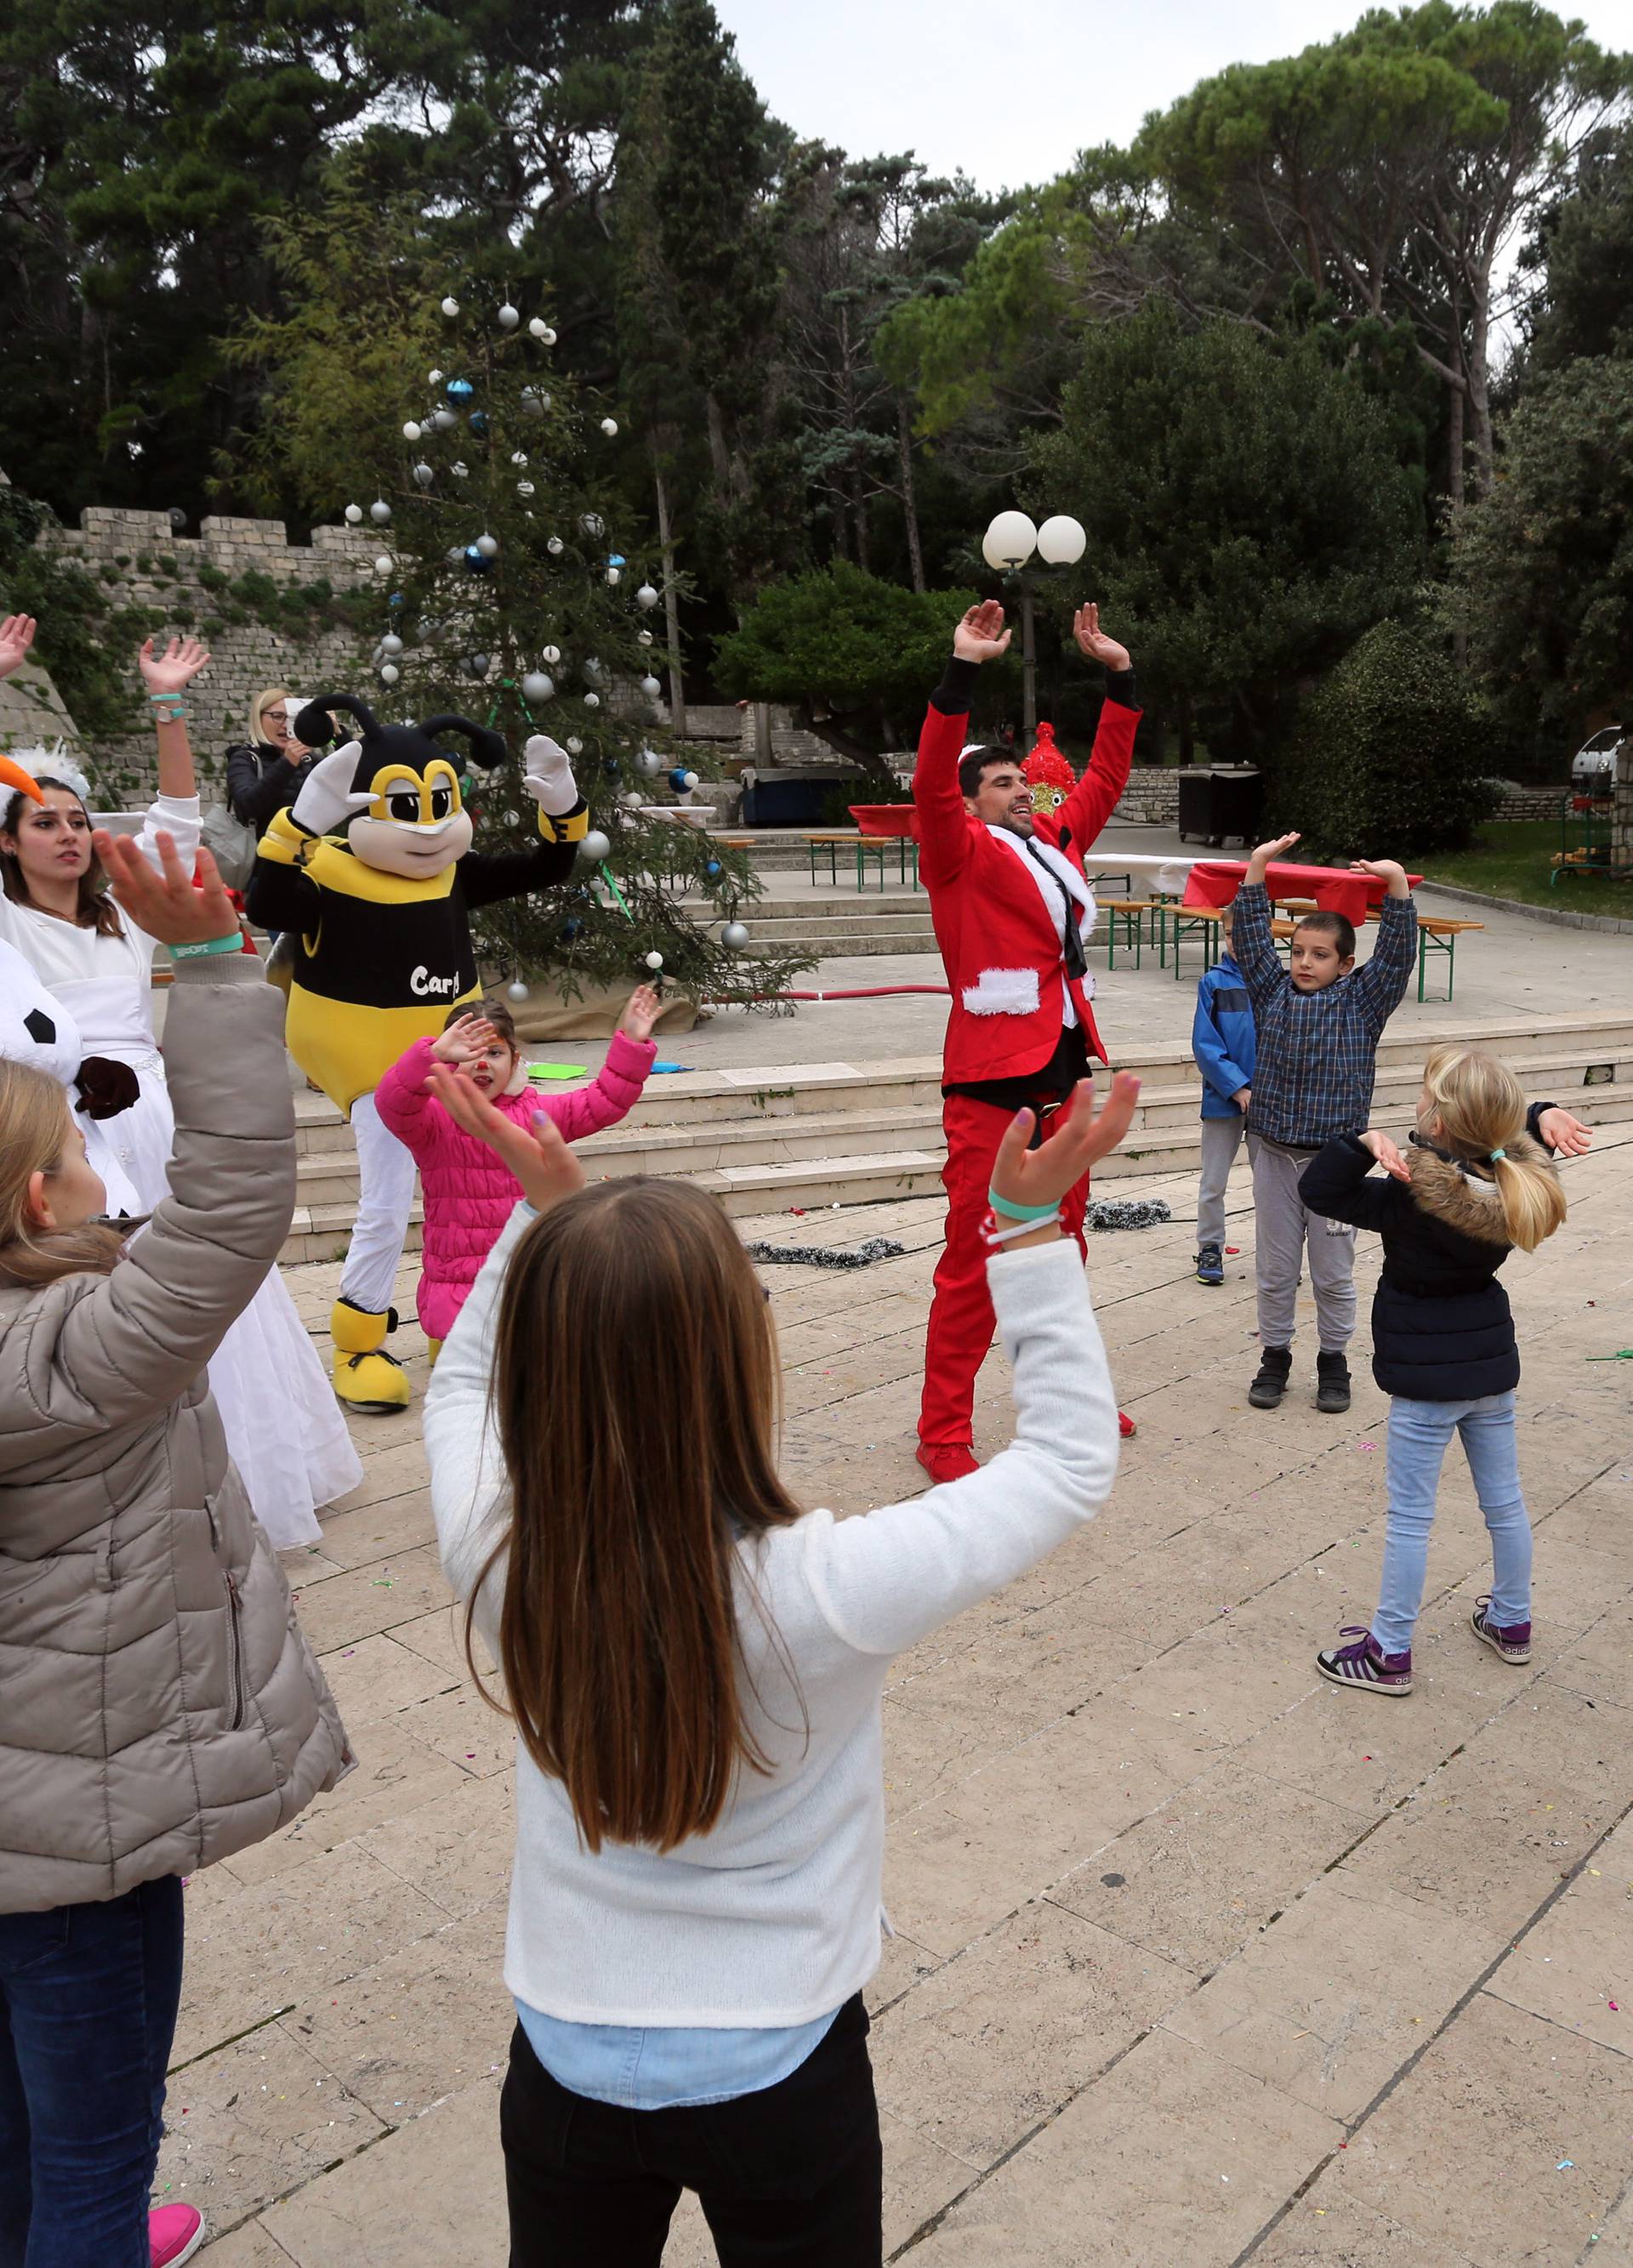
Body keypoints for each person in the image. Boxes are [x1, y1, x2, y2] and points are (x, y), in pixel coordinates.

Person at [421, 1059, 1139, 2267]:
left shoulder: (495, 1555)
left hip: (563, 2052)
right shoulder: (826, 1587)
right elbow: (1067, 1462)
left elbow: (459, 1390)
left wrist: (536, 1230)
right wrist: (1023, 1233)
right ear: (738, 1354)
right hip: (781, 2062)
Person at [0, 829, 352, 2268]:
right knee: (96, 2149)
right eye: (78, 1153)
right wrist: (210, 963)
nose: (101, 1166)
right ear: (37, 1202)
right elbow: (231, 1206)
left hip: (48, 1792)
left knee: (24, 2126)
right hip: (74, 1808)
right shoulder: (73, 1352)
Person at [0, 622, 361, 1546]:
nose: (72, 834)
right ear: (7, 843)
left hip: (157, 1116)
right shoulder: (5, 931)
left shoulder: (125, 916)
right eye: (47, 820)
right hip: (60, 1132)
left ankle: (250, 1474)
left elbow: (174, 822)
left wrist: (167, 706)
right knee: (105, 1302)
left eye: (80, 820)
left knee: (201, 1282)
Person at [244, 696, 588, 1413]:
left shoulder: (451, 875)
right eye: (406, 805)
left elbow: (547, 867)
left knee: (469, 1196)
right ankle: (358, 1341)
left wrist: (561, 803)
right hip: (377, 1071)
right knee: (389, 1198)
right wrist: (302, 822)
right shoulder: (334, 874)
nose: (428, 826)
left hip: (456, 1070)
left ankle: (452, 1325)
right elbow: (267, 903)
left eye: (439, 801)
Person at [913, 597, 1141, 1482]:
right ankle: (943, 1432)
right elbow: (933, 779)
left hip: (1067, 1071)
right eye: (1002, 782)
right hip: (991, 1085)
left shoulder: (1055, 839)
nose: (1023, 790)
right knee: (974, 1262)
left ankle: (1071, 1400)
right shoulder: (955, 852)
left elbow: (1108, 776)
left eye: (1022, 780)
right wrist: (962, 667)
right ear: (972, 800)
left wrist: (1119, 677)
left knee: (1064, 1251)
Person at [1298, 1046, 1590, 1695]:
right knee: (1504, 1501)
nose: (1419, 1102)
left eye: (1427, 1097)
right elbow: (1510, 1136)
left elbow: (1317, 1191)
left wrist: (1360, 1142)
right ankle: (1512, 1622)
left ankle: (1388, 1651)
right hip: (1489, 1365)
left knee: (1410, 1516)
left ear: (1435, 1124)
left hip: (1425, 1378)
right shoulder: (1522, 1186)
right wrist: (1543, 1112)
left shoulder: (1410, 1198)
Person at [1231, 829, 1418, 1417]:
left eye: (1319, 954)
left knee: (1334, 1275)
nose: (1304, 962)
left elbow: (1397, 956)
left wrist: (1394, 884)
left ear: (1345, 963)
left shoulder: (1363, 1001)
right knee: (1276, 1269)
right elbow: (1254, 942)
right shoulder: (1270, 992)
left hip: (1337, 1169)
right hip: (1274, 1155)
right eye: (1299, 951)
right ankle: (1275, 1357)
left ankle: (1333, 1361)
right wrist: (1258, 867)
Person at [373, 986, 660, 1361]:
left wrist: (631, 1042)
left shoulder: (538, 1113)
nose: (482, 1063)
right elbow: (391, 1103)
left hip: (532, 1281)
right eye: (469, 1053)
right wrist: (433, 1054)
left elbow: (605, 1100)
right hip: (461, 1290)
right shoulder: (433, 1122)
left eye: (494, 1053)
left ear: (514, 1059)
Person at [1190, 899, 1255, 1286]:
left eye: (1244, 934)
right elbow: (1206, 1045)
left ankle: (1277, 1252)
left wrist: (1263, 1088)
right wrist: (1236, 1087)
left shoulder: (1277, 982)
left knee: (1272, 1187)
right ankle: (1210, 1246)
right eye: (1230, 934)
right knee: (1213, 1182)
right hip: (1222, 1099)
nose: (1236, 941)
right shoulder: (1213, 982)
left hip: (1268, 1101)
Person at [224, 687, 319, 838]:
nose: (286, 724)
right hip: (264, 856)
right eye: (278, 716)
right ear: (258, 718)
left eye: (292, 718)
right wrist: (287, 763)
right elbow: (247, 807)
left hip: (307, 856)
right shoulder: (245, 759)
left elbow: (355, 780)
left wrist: (336, 734)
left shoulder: (309, 760)